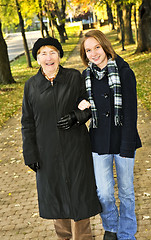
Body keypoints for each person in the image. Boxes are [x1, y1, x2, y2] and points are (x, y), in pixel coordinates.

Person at [21, 37, 101, 240]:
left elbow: (88, 107)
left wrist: (76, 116)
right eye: (43, 54)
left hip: (75, 148)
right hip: (47, 153)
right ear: (37, 58)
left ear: (59, 55)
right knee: (56, 199)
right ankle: (63, 237)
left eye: (53, 52)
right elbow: (27, 123)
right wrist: (30, 153)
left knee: (80, 197)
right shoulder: (31, 86)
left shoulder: (74, 77)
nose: (49, 58)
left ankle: (83, 238)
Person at [79, 30, 142, 240]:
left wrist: (128, 145)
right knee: (104, 193)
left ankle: (126, 234)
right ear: (84, 54)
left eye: (97, 47)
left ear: (105, 46)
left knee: (126, 193)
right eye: (88, 50)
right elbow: (83, 107)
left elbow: (131, 112)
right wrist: (80, 106)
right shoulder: (85, 76)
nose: (94, 53)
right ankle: (111, 227)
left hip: (123, 141)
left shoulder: (124, 72)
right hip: (98, 142)